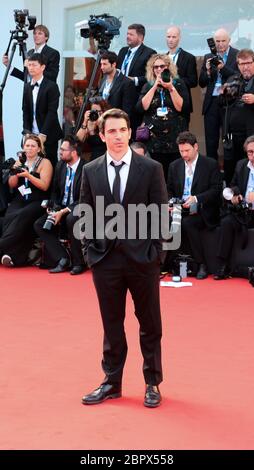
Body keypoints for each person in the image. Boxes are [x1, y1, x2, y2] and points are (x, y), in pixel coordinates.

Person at [79, 108, 168, 407]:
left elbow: (159, 215)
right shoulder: (90, 170)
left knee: (150, 323)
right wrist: (89, 253)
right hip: (105, 260)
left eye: (123, 130)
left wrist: (156, 254)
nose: (118, 136)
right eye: (112, 131)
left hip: (143, 260)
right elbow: (85, 213)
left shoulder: (151, 168)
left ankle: (152, 382)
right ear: (102, 135)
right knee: (111, 323)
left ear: (130, 132)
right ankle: (112, 382)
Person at [167, 131, 222, 279]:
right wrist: (170, 203)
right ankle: (166, 264)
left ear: (196, 147)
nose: (184, 154)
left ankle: (201, 263)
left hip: (203, 209)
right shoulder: (174, 166)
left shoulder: (209, 164)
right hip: (180, 207)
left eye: (187, 150)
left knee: (187, 223)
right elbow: (169, 189)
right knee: (164, 220)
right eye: (181, 151)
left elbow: (216, 190)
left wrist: (197, 198)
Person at [34, 135, 86, 275]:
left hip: (79, 208)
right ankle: (63, 258)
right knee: (40, 224)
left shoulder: (86, 168)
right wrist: (54, 207)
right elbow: (55, 191)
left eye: (63, 149)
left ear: (74, 152)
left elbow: (84, 198)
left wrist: (63, 212)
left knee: (71, 219)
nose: (60, 152)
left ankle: (79, 262)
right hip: (61, 207)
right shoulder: (60, 165)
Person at [0, 134, 53, 267]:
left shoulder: (45, 163)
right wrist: (14, 172)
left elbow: (44, 185)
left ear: (39, 149)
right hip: (21, 198)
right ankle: (12, 256)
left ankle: (2, 246)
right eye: (27, 145)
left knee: (21, 216)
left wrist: (28, 175)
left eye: (33, 146)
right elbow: (12, 185)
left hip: (38, 200)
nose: (29, 148)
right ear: (23, 148)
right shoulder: (20, 161)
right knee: (10, 215)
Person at [136, 53, 190, 180]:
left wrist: (170, 88)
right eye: (156, 67)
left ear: (168, 67)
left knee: (175, 175)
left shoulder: (178, 84)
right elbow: (141, 107)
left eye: (162, 66)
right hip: (154, 140)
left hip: (174, 138)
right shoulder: (148, 85)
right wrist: (154, 86)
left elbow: (181, 107)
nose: (159, 69)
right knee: (156, 175)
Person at [214, 135, 254, 280]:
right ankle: (222, 265)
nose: (252, 155)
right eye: (250, 152)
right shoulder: (241, 165)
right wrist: (235, 197)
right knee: (226, 222)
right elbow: (233, 185)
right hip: (244, 211)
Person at [199, 28, 238, 161]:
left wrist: (223, 68)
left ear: (229, 41)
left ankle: (229, 177)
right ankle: (213, 176)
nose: (220, 44)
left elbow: (238, 77)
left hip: (230, 102)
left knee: (229, 141)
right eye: (217, 41)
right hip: (212, 103)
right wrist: (208, 72)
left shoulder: (237, 55)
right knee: (211, 142)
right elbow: (202, 83)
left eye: (223, 41)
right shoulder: (208, 57)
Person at [22, 53, 63, 167]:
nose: (31, 68)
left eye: (34, 65)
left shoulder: (51, 86)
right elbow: (25, 111)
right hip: (32, 135)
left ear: (43, 67)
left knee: (49, 164)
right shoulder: (27, 86)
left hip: (48, 135)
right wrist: (26, 132)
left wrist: (43, 134)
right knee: (31, 166)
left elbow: (52, 112)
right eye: (29, 65)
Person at [220, 48, 254, 184]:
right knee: (232, 170)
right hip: (233, 136)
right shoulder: (233, 78)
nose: (245, 67)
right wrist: (224, 93)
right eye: (241, 64)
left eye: (248, 63)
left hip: (252, 135)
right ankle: (230, 199)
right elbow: (221, 102)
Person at [166, 25, 198, 125]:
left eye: (173, 37)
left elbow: (193, 82)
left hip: (182, 103)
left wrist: (174, 81)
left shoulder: (189, 58)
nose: (170, 40)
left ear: (179, 38)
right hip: (164, 103)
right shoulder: (162, 58)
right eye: (168, 36)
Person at [117, 23, 156, 93]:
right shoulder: (123, 51)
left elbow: (152, 76)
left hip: (135, 93)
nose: (127, 36)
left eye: (131, 35)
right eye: (127, 34)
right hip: (118, 92)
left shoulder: (150, 53)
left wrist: (134, 80)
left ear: (140, 37)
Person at [98, 51, 137, 118]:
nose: (102, 67)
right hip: (103, 120)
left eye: (105, 64)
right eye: (101, 64)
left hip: (117, 121)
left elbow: (127, 110)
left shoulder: (127, 83)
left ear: (113, 64)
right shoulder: (102, 80)